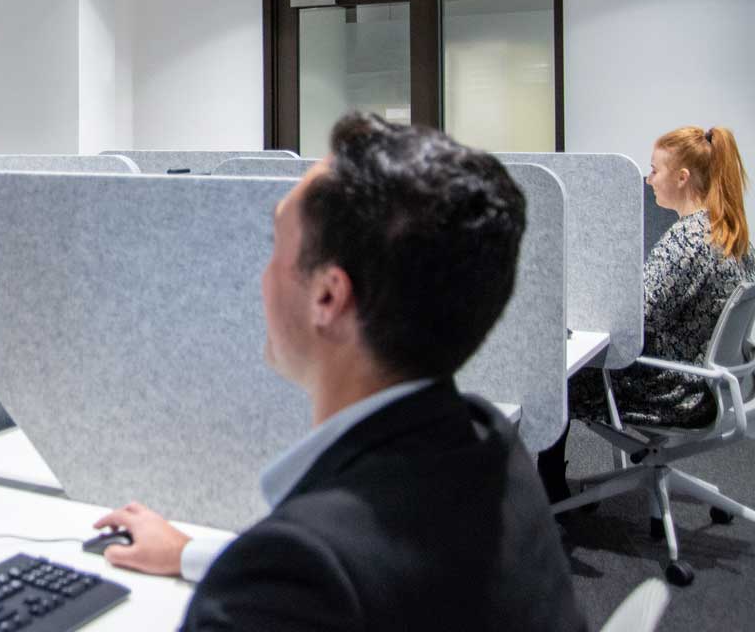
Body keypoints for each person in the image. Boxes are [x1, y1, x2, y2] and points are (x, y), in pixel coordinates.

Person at [93, 113, 586, 630]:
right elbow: (379, 579)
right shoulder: (489, 444)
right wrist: (194, 554)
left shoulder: (297, 573)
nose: (261, 278)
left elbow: (313, 576)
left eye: (274, 247)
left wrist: (259, 574)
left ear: (327, 296)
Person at [541, 125, 755, 500]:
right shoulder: (730, 234)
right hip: (713, 382)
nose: (649, 179)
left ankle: (549, 494)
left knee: (553, 381)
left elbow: (632, 318)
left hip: (672, 388)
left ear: (683, 177)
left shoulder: (685, 240)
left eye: (655, 170)